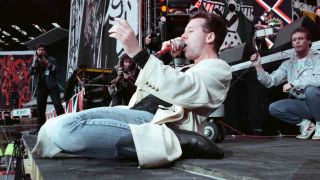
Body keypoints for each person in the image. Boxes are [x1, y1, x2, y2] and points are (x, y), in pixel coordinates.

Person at [32, 11, 232, 168]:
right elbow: (156, 81)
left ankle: (177, 142)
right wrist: (163, 55)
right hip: (136, 112)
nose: (183, 35)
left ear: (210, 37)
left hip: (156, 122)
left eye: (190, 31)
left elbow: (189, 90)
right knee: (54, 125)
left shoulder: (219, 68)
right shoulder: (187, 66)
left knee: (64, 130)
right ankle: (161, 144)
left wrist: (138, 53)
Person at [250, 27, 320, 140]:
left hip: (317, 101)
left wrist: (293, 83)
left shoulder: (317, 58)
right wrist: (258, 66)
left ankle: (319, 124)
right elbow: (271, 81)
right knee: (274, 107)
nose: (297, 41)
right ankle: (306, 125)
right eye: (294, 40)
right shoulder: (288, 64)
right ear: (292, 44)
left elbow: (318, 79)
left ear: (309, 41)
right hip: (304, 104)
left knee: (311, 90)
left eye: (301, 38)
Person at [29, 44, 64, 128]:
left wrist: (46, 63)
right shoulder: (35, 60)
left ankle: (63, 125)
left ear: (45, 51)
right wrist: (34, 61)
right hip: (41, 86)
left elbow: (56, 70)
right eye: (39, 50)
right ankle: (41, 128)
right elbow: (31, 72)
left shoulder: (51, 59)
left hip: (52, 85)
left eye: (43, 50)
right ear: (37, 51)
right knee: (40, 109)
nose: (41, 51)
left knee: (58, 106)